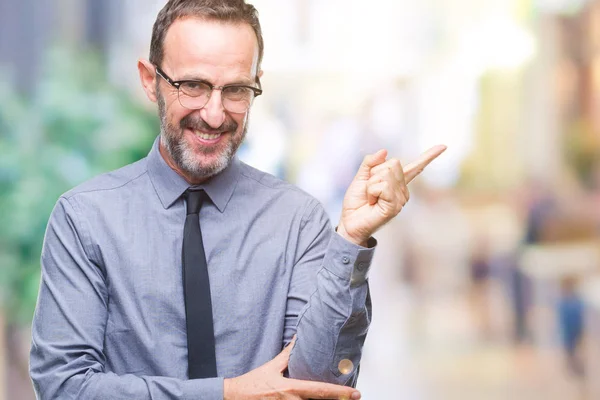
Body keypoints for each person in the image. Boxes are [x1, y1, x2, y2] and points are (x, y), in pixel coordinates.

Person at [29, 1, 446, 399]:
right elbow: (65, 388)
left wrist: (351, 237)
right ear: (149, 79)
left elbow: (318, 385)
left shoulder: (296, 220)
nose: (214, 114)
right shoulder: (84, 219)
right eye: (192, 85)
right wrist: (226, 394)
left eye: (236, 90)